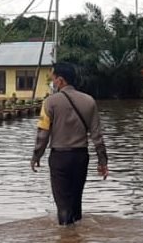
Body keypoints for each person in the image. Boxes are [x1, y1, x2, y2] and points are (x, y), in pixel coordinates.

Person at [30, 62, 108, 225]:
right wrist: (103, 161)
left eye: (53, 78)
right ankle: (77, 241)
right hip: (81, 157)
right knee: (76, 202)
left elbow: (43, 134)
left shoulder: (49, 102)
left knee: (63, 205)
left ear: (60, 80)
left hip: (60, 158)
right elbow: (97, 136)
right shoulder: (89, 101)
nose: (53, 82)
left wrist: (36, 155)